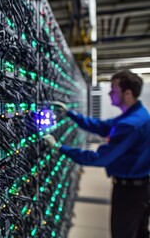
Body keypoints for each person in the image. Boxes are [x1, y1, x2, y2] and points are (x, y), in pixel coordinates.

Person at [43, 70, 150, 238]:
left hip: (130, 192)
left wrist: (60, 147)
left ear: (127, 93)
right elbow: (102, 126)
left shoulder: (131, 124)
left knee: (124, 234)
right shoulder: (137, 114)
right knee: (140, 232)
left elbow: (99, 158)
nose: (109, 93)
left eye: (113, 90)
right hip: (139, 187)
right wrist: (70, 114)